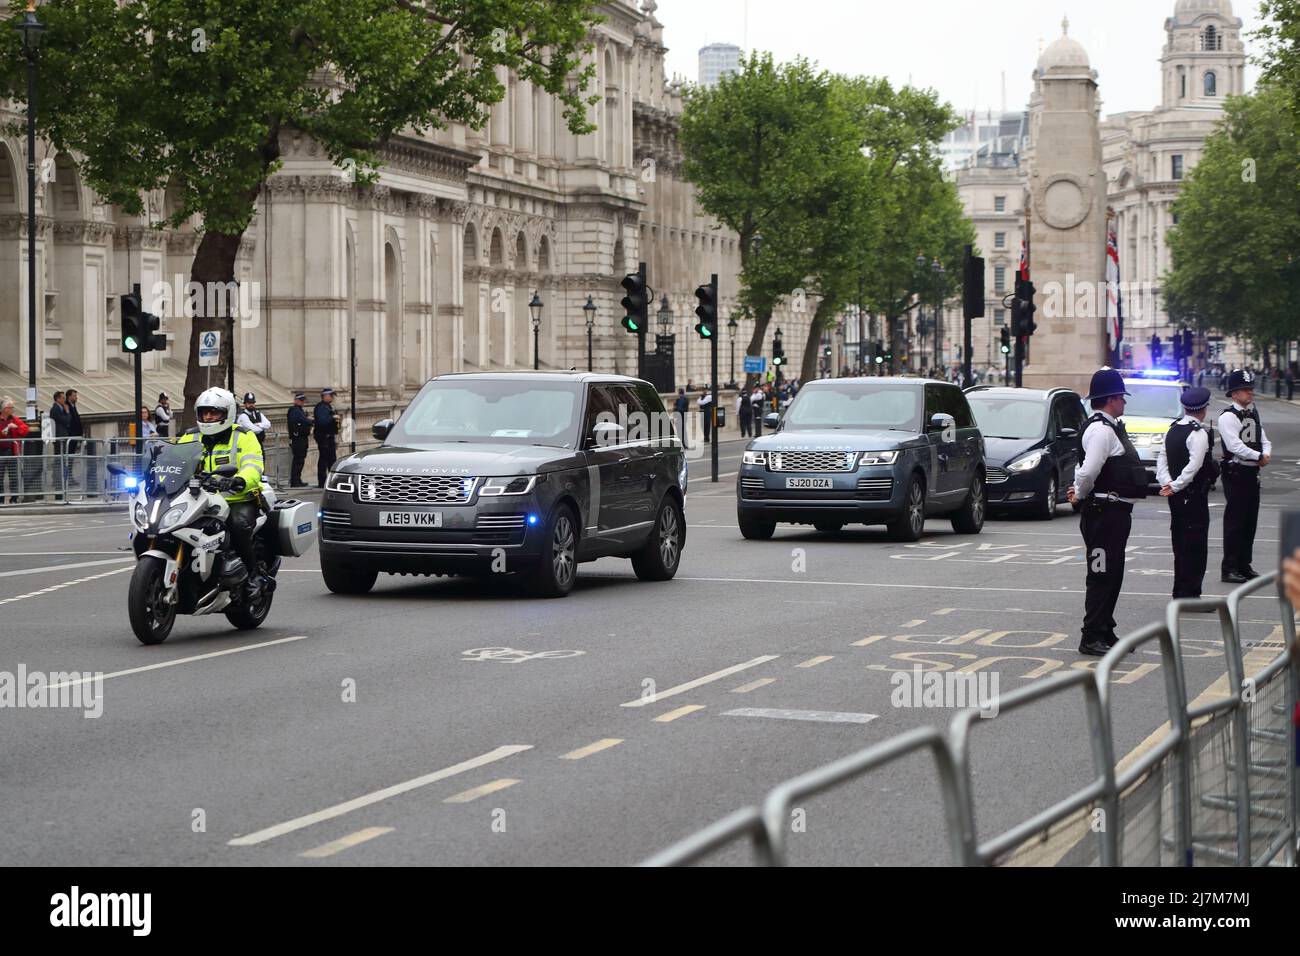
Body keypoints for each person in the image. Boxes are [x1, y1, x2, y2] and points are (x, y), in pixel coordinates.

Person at [1067, 368, 1149, 656]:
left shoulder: (1107, 427)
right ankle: (1091, 636)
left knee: (1113, 573)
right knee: (1101, 574)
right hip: (1104, 513)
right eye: (1122, 398)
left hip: (1112, 513)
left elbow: (1084, 469)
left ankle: (1105, 629)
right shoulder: (1101, 430)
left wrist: (1079, 488)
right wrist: (1080, 492)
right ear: (1112, 399)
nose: (1125, 403)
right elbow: (1088, 470)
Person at [177, 388, 268, 600]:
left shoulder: (244, 436)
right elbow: (175, 461)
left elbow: (253, 466)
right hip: (200, 499)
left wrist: (239, 480)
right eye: (204, 412)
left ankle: (254, 575)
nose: (208, 417)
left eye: (214, 413)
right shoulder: (190, 437)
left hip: (237, 498)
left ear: (227, 413)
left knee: (237, 526)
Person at [1156, 387, 1218, 602]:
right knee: (1196, 545)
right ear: (1203, 409)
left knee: (1180, 543)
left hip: (1176, 495)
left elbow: (1161, 459)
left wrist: (1167, 482)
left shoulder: (1172, 429)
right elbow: (1194, 466)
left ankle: (1179, 590)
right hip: (1193, 495)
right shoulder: (1198, 433)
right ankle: (1190, 593)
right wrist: (1177, 485)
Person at [1218, 369, 1271, 583]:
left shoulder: (1252, 413)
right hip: (1237, 471)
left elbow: (1263, 437)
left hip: (1252, 471)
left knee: (1250, 521)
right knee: (1235, 522)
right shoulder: (1228, 416)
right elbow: (1234, 445)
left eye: (1251, 389)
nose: (1250, 393)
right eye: (1246, 390)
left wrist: (1265, 453)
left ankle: (1243, 564)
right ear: (1234, 393)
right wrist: (1258, 455)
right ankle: (1229, 567)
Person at [0, 396, 29, 504]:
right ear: (5, 409)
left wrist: (16, 428)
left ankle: (14, 498)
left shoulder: (14, 419)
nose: (12, 409)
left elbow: (25, 429)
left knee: (13, 476)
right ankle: (1, 498)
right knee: (0, 476)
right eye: (10, 407)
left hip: (12, 450)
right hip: (1, 451)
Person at [313, 387, 339, 488]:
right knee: (324, 459)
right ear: (325, 396)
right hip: (324, 437)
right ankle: (322, 481)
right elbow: (322, 421)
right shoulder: (321, 407)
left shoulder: (328, 407)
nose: (332, 398)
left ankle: (331, 481)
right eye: (331, 395)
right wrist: (332, 417)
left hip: (329, 436)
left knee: (331, 459)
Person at [286, 392, 311, 488]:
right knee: (298, 460)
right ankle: (295, 481)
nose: (302, 402)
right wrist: (309, 421)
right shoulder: (294, 410)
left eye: (303, 400)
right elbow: (303, 421)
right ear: (295, 400)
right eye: (300, 400)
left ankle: (298, 480)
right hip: (298, 439)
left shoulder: (300, 410)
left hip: (302, 438)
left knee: (300, 460)